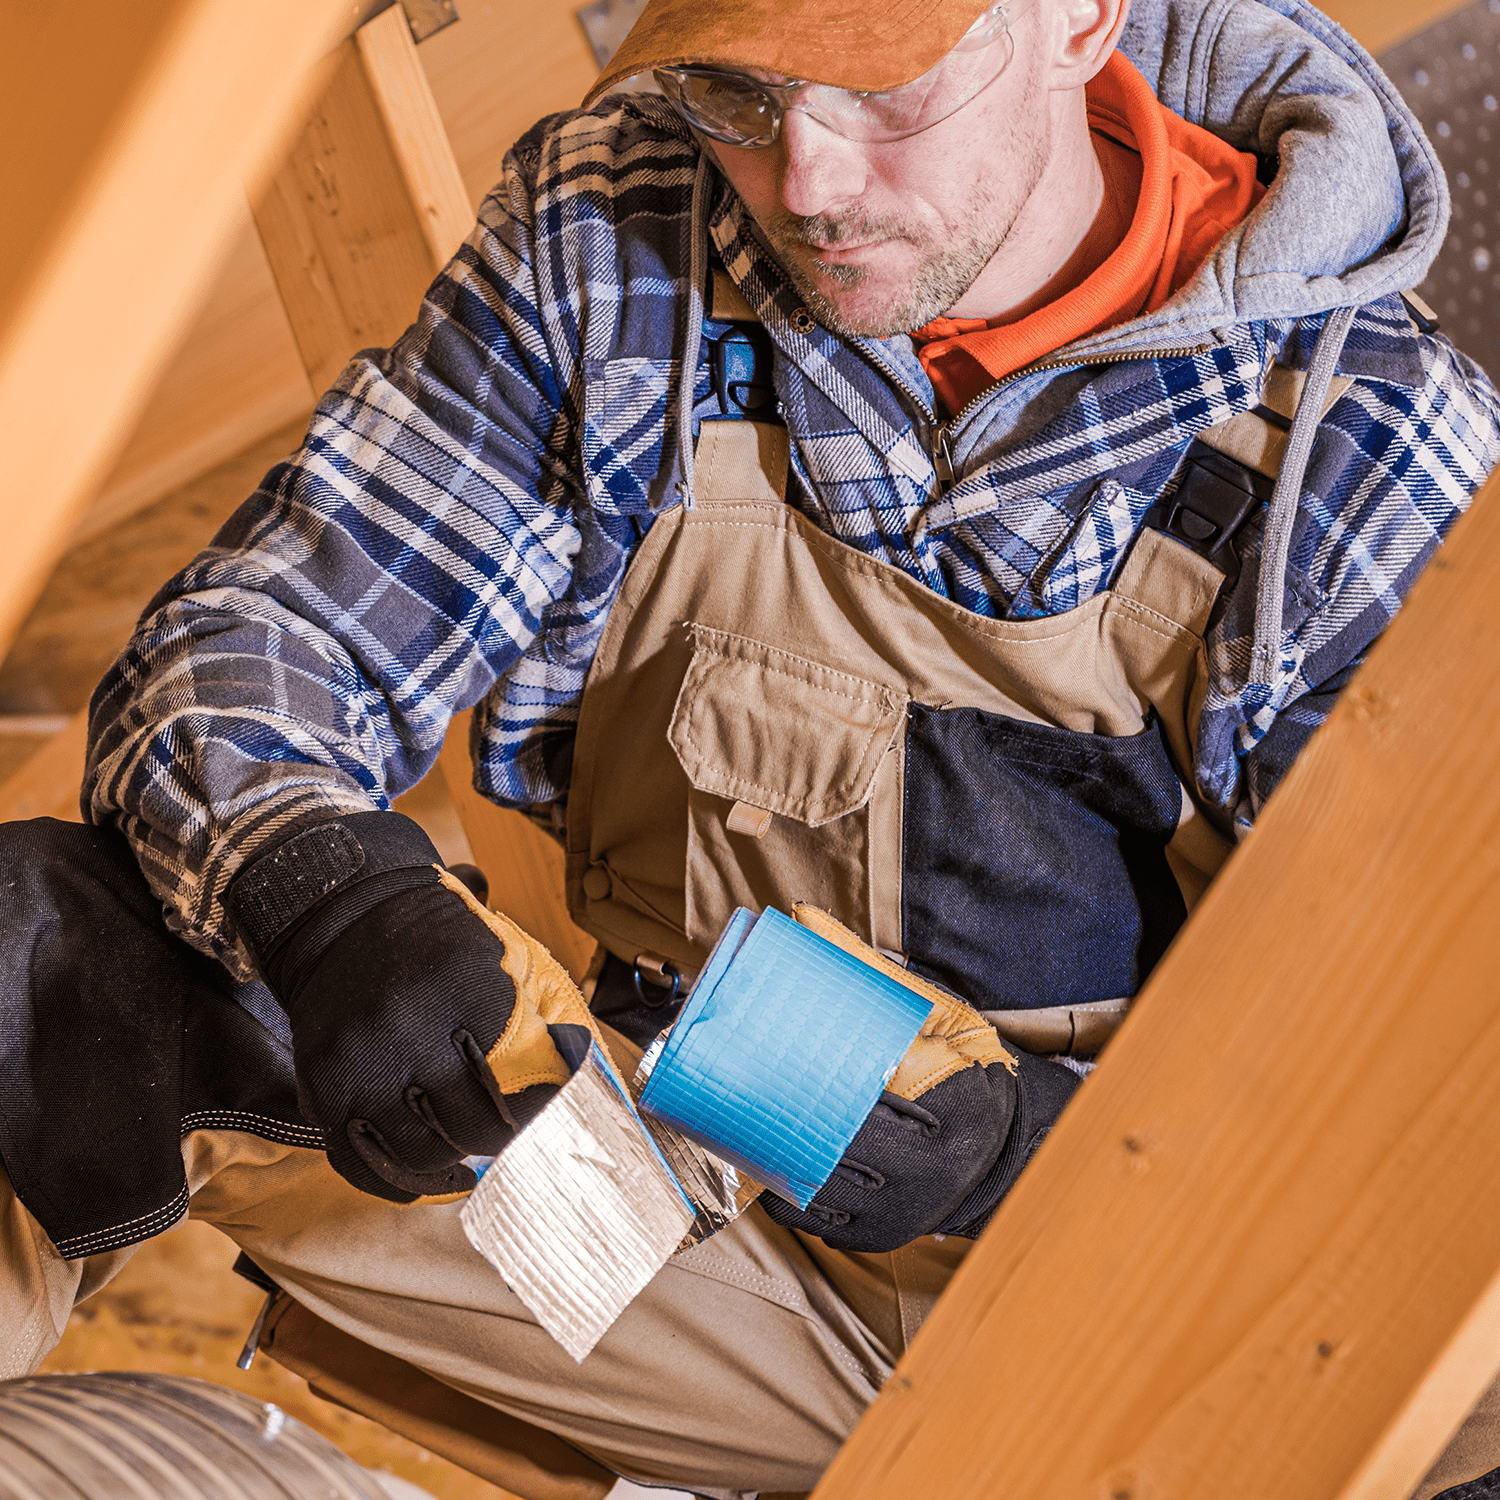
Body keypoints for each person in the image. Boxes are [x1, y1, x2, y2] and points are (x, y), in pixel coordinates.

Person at [3, 0, 1498, 1493]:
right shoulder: (626, 235)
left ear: (1079, 19)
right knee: (56, 962)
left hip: (1145, 1318)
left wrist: (1022, 1152)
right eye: (740, 92)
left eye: (882, 92)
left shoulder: (1364, 451)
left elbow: (1443, 1136)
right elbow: (259, 644)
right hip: (665, 1199)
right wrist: (335, 904)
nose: (808, 183)